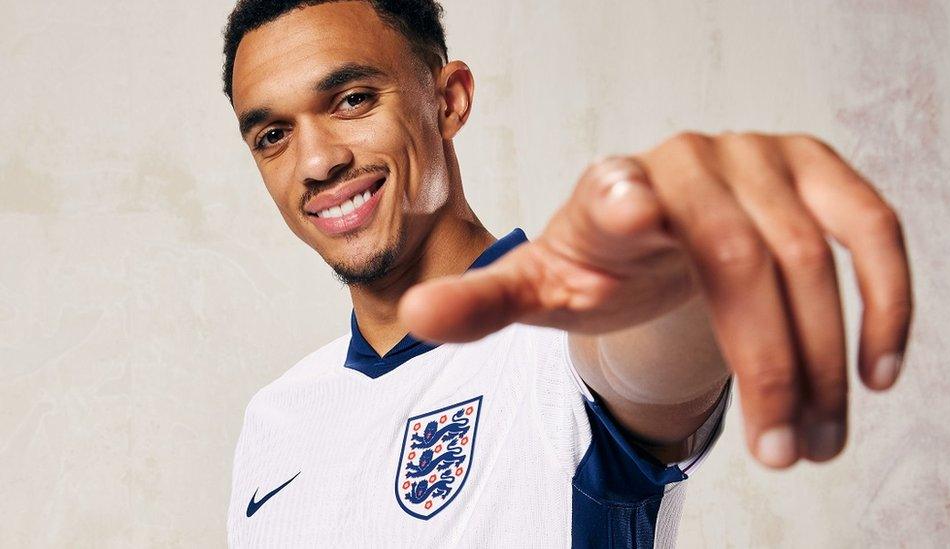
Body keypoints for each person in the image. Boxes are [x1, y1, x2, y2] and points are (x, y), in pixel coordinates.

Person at [221, 1, 913, 547]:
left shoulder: (567, 337)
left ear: (449, 100)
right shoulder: (275, 419)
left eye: (352, 100)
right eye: (273, 136)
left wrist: (687, 250)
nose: (316, 163)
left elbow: (644, 358)